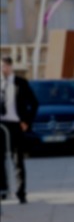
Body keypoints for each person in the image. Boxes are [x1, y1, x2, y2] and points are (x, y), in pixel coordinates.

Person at [0, 56, 38, 204]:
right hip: (2, 126)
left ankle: (21, 192)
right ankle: (3, 190)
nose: (2, 69)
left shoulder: (20, 83)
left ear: (10, 67)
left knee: (18, 160)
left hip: (16, 125)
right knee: (0, 159)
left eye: (4, 66)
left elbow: (34, 103)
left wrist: (26, 121)